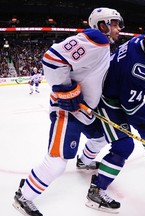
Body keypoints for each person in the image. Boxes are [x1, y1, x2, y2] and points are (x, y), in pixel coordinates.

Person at [12, 7, 125, 216]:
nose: (119, 28)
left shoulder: (103, 45)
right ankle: (24, 196)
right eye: (115, 23)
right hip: (67, 111)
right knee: (57, 162)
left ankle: (85, 160)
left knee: (100, 136)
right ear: (103, 25)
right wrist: (66, 91)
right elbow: (52, 58)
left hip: (84, 111)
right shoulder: (95, 39)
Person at [82, 17, 145, 212]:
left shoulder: (139, 40)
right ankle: (96, 190)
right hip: (110, 103)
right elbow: (131, 107)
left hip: (122, 96)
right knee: (124, 145)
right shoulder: (137, 68)